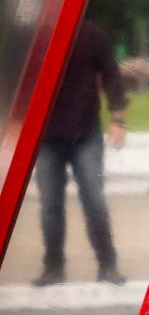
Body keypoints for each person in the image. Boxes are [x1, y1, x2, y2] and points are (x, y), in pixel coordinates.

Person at [32, 19, 127, 285]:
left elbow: (111, 75)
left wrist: (118, 120)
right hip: (46, 135)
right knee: (50, 205)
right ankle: (53, 267)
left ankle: (108, 265)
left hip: (85, 133)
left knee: (94, 201)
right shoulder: (37, 33)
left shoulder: (90, 34)